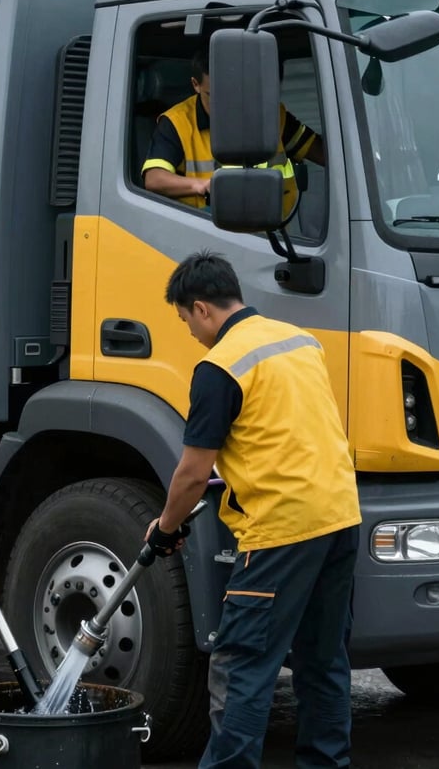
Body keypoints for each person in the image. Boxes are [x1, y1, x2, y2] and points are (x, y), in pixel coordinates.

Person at [145, 251, 361, 769]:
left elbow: (193, 473)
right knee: (324, 661)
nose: (192, 335)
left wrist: (164, 528)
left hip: (281, 529)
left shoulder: (219, 366)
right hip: (340, 516)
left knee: (244, 664)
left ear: (201, 309)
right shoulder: (298, 341)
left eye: (185, 322)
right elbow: (285, 430)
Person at [141, 50, 325, 210]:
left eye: (232, 92)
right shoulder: (177, 122)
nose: (226, 104)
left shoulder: (270, 114)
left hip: (277, 237)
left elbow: (323, 153)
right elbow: (154, 179)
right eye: (214, 96)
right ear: (195, 84)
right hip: (208, 234)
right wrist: (202, 185)